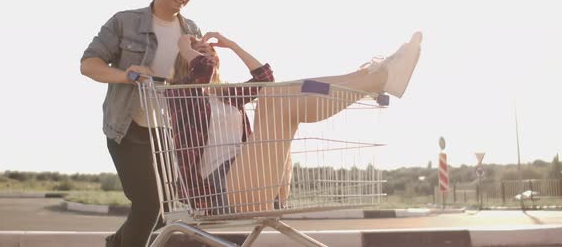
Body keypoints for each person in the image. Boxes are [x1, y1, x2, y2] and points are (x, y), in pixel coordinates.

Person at [165, 31, 422, 214]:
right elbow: (202, 71)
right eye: (202, 53)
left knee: (278, 91)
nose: (208, 55)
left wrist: (232, 45)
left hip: (256, 176)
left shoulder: (226, 97)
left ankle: (364, 75)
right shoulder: (179, 95)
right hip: (219, 191)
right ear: (185, 60)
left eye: (211, 53)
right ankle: (378, 79)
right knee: (283, 105)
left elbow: (265, 77)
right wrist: (185, 45)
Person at [80, 0, 201, 247]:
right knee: (148, 204)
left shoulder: (192, 29)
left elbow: (195, 82)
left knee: (161, 211)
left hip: (167, 132)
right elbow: (89, 64)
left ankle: (115, 243)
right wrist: (127, 74)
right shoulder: (125, 21)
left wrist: (205, 58)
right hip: (128, 127)